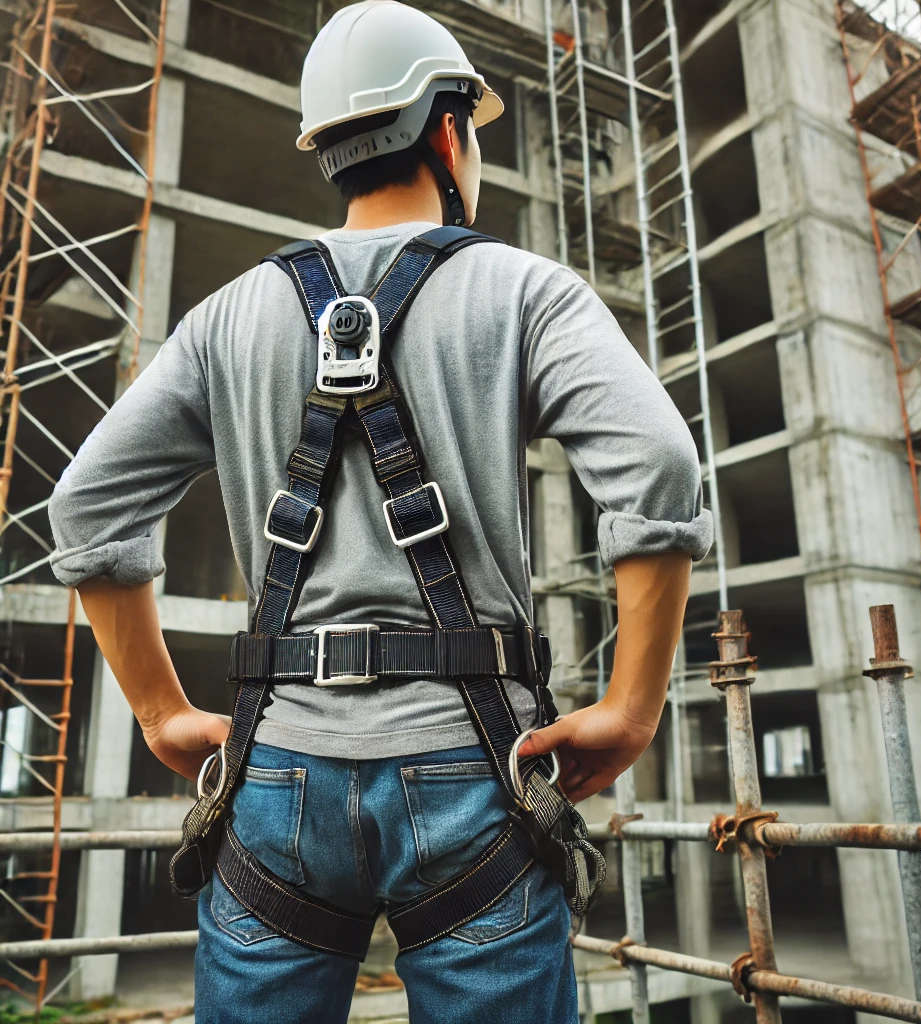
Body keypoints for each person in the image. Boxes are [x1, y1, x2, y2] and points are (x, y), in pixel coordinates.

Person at [48, 2, 711, 1021]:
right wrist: (631, 706)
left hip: (275, 775)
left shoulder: (227, 315)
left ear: (334, 150)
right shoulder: (524, 289)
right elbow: (659, 462)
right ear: (448, 130)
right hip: (475, 769)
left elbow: (87, 504)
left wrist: (161, 712)